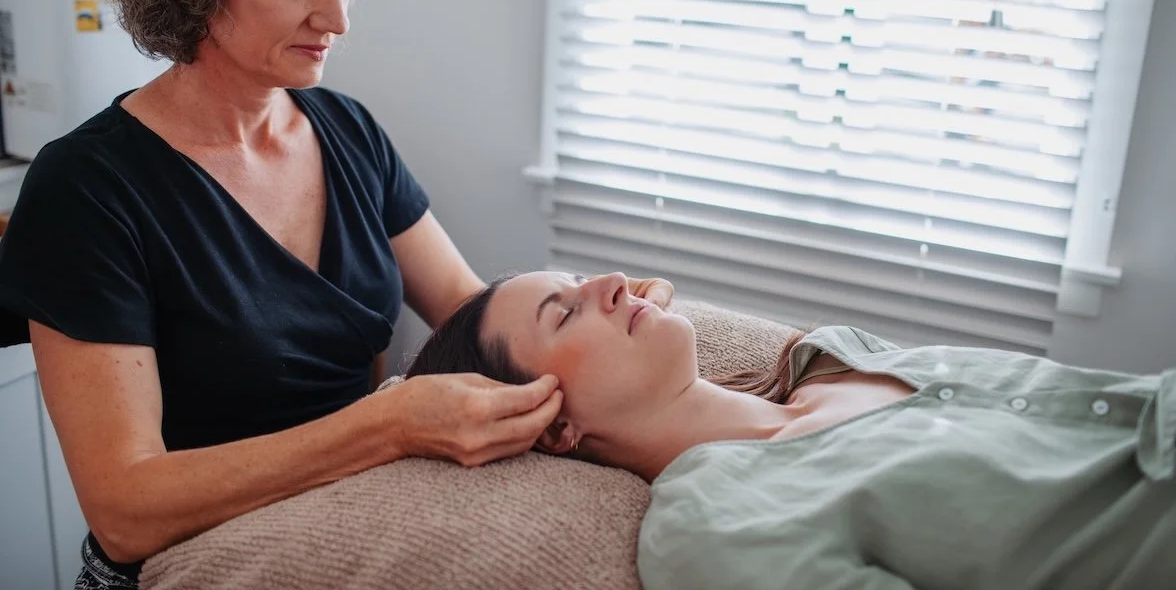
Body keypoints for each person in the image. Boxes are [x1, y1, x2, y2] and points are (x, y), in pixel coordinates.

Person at [0, 0, 671, 590]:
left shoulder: (346, 131)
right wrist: (385, 425)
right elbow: (124, 509)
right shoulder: (87, 191)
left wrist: (601, 318)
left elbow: (471, 315)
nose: (338, 19)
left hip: (345, 530)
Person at [405, 270, 1176, 590]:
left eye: (579, 279)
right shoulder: (720, 527)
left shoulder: (828, 359)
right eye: (564, 311)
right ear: (555, 426)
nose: (608, 282)